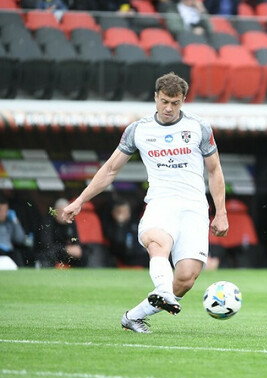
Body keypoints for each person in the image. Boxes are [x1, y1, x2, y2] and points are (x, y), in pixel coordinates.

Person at [59, 72, 229, 333]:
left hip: (194, 208)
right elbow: (111, 169)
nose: (169, 108)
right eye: (164, 101)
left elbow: (215, 170)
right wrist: (80, 200)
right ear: (155, 97)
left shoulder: (199, 127)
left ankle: (133, 317)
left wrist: (221, 212)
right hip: (161, 203)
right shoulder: (138, 130)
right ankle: (163, 289)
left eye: (175, 103)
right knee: (157, 242)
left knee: (186, 278)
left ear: (183, 100)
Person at [102, 198, 148, 267]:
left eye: (125, 211)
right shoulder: (109, 226)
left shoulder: (137, 224)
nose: (122, 214)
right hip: (123, 260)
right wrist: (120, 224)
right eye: (119, 212)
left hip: (141, 258)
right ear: (113, 213)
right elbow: (118, 244)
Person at [40, 198, 83, 268]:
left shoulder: (71, 222)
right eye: (61, 212)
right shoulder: (48, 223)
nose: (64, 215)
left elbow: (76, 241)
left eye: (67, 213)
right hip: (54, 252)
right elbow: (47, 245)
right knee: (48, 254)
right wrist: (66, 249)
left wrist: (77, 248)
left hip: (66, 253)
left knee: (82, 254)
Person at [0, 193, 28, 267]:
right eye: (0, 210)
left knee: (17, 255)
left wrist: (15, 221)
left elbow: (20, 239)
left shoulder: (9, 222)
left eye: (5, 210)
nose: (3, 213)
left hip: (9, 253)